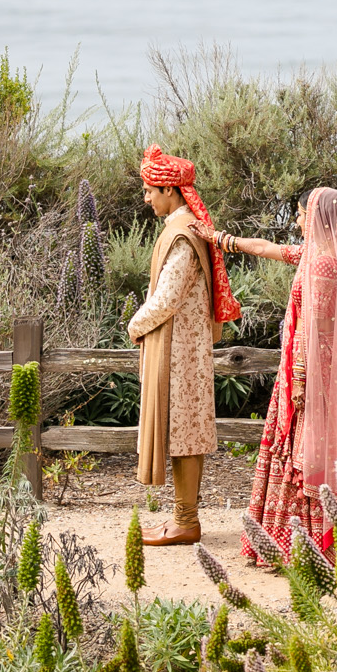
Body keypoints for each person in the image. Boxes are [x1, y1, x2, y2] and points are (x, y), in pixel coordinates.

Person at [199, 187, 337, 563]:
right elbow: (267, 248)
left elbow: (317, 331)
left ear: (316, 217)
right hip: (320, 375)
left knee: (313, 455)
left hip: (317, 378)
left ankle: (317, 545)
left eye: (302, 214)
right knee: (335, 451)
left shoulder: (322, 265)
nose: (298, 220)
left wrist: (300, 380)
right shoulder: (316, 257)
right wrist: (221, 240)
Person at [127, 147, 240, 545]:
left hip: (182, 350)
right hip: (183, 346)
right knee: (182, 430)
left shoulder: (182, 232)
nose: (146, 198)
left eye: (149, 190)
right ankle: (181, 517)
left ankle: (186, 521)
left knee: (186, 431)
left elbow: (168, 298)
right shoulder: (186, 227)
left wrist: (135, 325)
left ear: (171, 190)